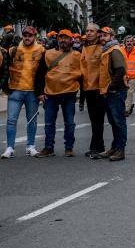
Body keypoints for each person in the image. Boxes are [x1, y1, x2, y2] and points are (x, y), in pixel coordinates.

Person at [36, 29, 82, 157]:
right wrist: (39, 92)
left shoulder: (77, 55)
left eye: (66, 38)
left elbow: (82, 74)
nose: (63, 40)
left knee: (69, 122)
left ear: (71, 40)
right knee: (49, 122)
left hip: (69, 92)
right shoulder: (48, 54)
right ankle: (48, 147)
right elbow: (40, 73)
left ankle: (69, 147)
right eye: (61, 37)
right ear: (57, 39)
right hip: (50, 93)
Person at [2, 26, 46, 158]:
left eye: (30, 35)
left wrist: (42, 91)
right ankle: (9, 148)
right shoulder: (13, 50)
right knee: (11, 120)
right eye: (25, 35)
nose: (27, 37)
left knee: (31, 121)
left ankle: (30, 146)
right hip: (15, 90)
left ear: (35, 36)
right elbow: (4, 69)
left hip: (32, 92)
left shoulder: (41, 50)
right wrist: (4, 86)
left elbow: (44, 72)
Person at [90, 27, 128, 161]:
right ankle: (114, 147)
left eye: (105, 35)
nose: (102, 38)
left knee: (118, 121)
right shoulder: (107, 50)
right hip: (109, 91)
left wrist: (111, 87)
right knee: (113, 121)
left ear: (112, 36)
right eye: (101, 36)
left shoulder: (114, 50)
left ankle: (120, 150)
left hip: (115, 91)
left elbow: (120, 70)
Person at [80, 23, 107, 157]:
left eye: (92, 31)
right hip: (88, 88)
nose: (89, 33)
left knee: (98, 120)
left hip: (100, 88)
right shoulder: (84, 47)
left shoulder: (103, 47)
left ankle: (98, 147)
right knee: (93, 119)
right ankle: (96, 146)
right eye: (87, 31)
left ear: (98, 33)